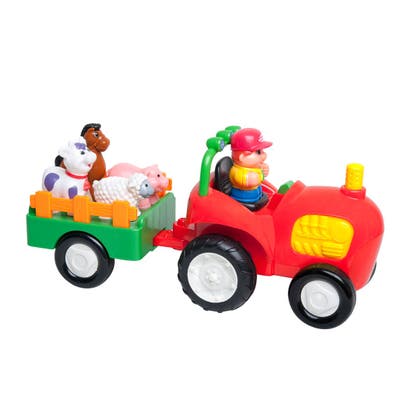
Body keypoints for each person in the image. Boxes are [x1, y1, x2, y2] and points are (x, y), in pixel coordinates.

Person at [229, 128, 272, 204]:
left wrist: (263, 170)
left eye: (263, 151)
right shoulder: (237, 171)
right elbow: (253, 181)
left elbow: (259, 177)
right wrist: (261, 174)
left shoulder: (252, 166)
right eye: (258, 152)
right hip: (244, 200)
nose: (264, 155)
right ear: (242, 157)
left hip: (257, 197)